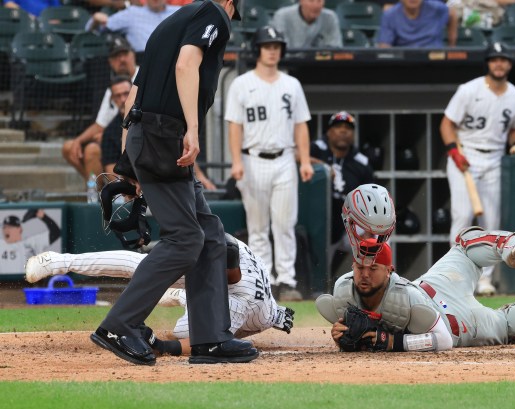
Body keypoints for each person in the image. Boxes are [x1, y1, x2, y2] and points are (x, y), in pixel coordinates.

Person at [90, 0, 258, 366]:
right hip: (165, 136)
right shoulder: (214, 14)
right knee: (187, 238)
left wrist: (127, 161)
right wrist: (193, 130)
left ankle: (210, 340)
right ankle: (120, 324)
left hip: (149, 135)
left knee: (209, 233)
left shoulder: (171, 21)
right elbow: (186, 64)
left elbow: (137, 91)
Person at [316, 224, 515, 352]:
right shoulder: (346, 290)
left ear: (389, 270)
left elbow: (441, 341)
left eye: (372, 268)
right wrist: (340, 335)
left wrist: (393, 344)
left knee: (506, 326)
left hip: (453, 320)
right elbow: (351, 327)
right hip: (433, 283)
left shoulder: (403, 299)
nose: (363, 274)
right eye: (359, 267)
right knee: (464, 247)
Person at [24, 233, 295, 355]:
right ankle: (59, 261)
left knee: (182, 331)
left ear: (228, 271)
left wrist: (161, 346)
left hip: (254, 314)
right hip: (240, 288)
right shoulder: (237, 251)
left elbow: (198, 343)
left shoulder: (239, 302)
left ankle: (179, 296)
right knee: (144, 266)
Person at [226, 26, 314, 302]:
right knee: (258, 226)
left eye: (276, 46)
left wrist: (305, 160)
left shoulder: (292, 84)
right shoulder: (241, 83)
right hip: (253, 159)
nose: (273, 50)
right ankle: (264, 279)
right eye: (267, 46)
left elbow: (301, 125)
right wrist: (236, 161)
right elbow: (234, 126)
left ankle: (286, 281)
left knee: (285, 224)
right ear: (258, 50)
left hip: (285, 158)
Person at [439, 41, 515, 296]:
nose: (499, 63)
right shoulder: (469, 90)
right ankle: (455, 277)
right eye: (494, 59)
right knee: (462, 217)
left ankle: (484, 279)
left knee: (491, 221)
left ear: (509, 64)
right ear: (488, 63)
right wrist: (453, 151)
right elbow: (447, 124)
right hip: (465, 157)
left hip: (494, 160)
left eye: (503, 59)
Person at [100, 74, 217, 189]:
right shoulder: (110, 131)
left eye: (126, 94)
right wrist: (126, 187)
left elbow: (180, 153)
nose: (123, 99)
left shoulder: (151, 117)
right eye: (118, 96)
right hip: (136, 184)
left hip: (167, 178)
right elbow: (111, 169)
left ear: (134, 93)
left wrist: (201, 178)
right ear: (113, 99)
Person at [62, 37, 139, 183]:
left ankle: (104, 192)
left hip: (140, 138)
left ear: (133, 55)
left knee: (92, 149)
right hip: (115, 138)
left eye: (125, 54)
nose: (121, 59)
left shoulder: (144, 77)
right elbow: (100, 124)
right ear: (110, 62)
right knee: (69, 148)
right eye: (116, 56)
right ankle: (97, 192)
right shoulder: (114, 86)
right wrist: (78, 141)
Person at [309, 111, 374, 278]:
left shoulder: (361, 161)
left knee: (381, 238)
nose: (343, 131)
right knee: (319, 274)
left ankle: (379, 283)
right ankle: (315, 290)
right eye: (338, 127)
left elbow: (372, 197)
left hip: (349, 224)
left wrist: (370, 229)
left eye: (348, 128)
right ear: (329, 131)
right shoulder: (317, 148)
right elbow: (295, 157)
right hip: (321, 224)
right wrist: (322, 167)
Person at [86, 0, 180, 53]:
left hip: (176, 57)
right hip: (144, 60)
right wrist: (95, 19)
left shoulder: (179, 11)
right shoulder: (132, 13)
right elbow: (93, 29)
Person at [376, 0, 458, 48]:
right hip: (405, 63)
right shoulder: (390, 15)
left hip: (435, 59)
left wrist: (452, 45)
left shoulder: (435, 8)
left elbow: (452, 13)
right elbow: (384, 46)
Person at [271, 0, 343, 48]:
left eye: (319, 0)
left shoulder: (330, 17)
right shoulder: (282, 16)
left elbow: (335, 49)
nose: (316, 5)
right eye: (311, 0)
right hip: (288, 66)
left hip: (320, 66)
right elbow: (280, 50)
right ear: (301, 1)